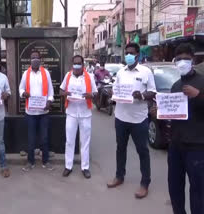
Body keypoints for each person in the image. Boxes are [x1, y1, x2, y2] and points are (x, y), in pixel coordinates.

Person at [107, 43, 156, 199]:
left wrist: (141, 95)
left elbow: (153, 92)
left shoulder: (146, 72)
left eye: (131, 53)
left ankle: (145, 183)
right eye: (126, 53)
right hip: (121, 117)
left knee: (142, 151)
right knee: (120, 148)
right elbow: (115, 90)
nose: (128, 55)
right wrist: (111, 94)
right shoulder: (121, 72)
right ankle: (119, 176)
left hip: (139, 119)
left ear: (137, 55)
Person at [165, 43, 204, 214]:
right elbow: (172, 113)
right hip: (176, 145)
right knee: (175, 187)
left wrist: (199, 95)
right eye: (178, 59)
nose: (182, 62)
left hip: (197, 146)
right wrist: (161, 111)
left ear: (193, 59)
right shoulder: (175, 85)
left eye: (185, 59)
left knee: (198, 190)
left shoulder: (202, 82)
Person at [60, 55, 97, 179]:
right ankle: (68, 166)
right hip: (71, 113)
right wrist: (65, 93)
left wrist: (90, 95)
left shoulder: (89, 77)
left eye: (79, 63)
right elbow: (61, 91)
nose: (76, 66)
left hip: (85, 113)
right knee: (69, 140)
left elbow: (95, 93)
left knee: (85, 141)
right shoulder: (68, 76)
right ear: (72, 64)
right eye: (74, 63)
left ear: (83, 64)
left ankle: (85, 167)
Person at [19, 50, 54, 172]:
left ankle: (45, 161)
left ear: (40, 59)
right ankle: (30, 162)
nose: (35, 59)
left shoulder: (46, 73)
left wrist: (49, 101)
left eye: (37, 57)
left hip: (44, 113)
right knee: (31, 139)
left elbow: (50, 91)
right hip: (30, 113)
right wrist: (24, 93)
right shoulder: (26, 73)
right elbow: (21, 88)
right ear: (30, 60)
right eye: (33, 57)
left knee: (44, 138)